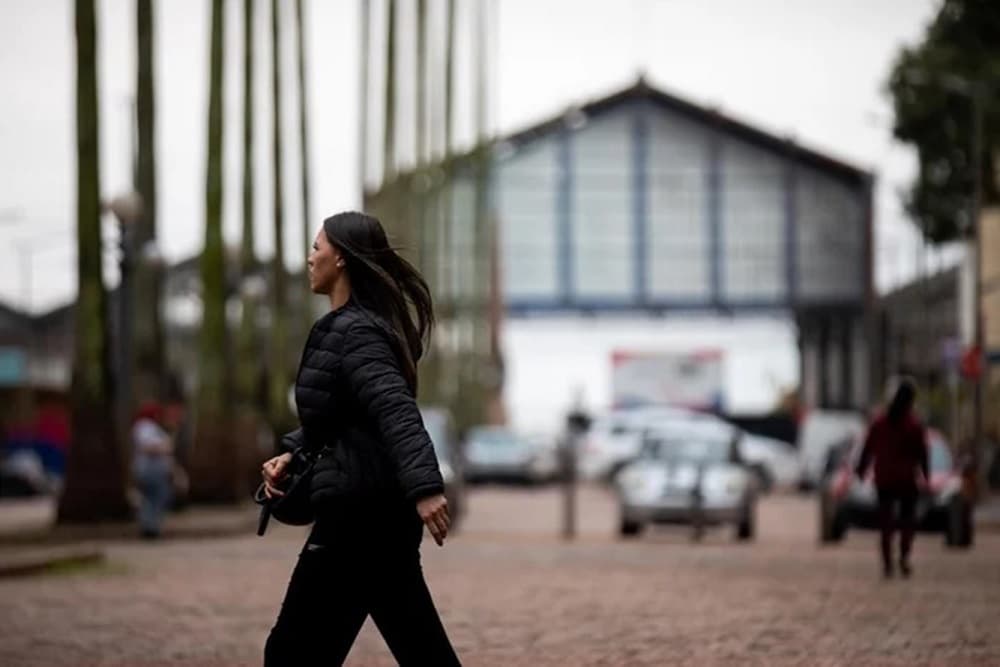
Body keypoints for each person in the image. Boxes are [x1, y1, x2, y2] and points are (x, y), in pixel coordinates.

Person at [260, 211, 461, 666]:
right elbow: (347, 418)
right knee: (420, 650)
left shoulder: (356, 333)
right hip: (377, 517)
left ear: (342, 259)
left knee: (291, 655)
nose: (310, 258)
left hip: (357, 519)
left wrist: (426, 488)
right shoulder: (355, 329)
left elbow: (395, 410)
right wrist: (293, 453)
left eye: (317, 248)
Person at [856, 378, 929, 579]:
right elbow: (922, 452)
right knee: (907, 522)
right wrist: (925, 473)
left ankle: (888, 562)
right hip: (905, 479)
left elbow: (867, 448)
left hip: (885, 479)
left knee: (886, 523)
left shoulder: (880, 422)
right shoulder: (913, 424)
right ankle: (903, 557)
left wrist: (861, 470)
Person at [131, 401, 174, 538]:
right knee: (153, 498)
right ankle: (149, 527)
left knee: (157, 497)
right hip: (150, 469)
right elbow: (147, 446)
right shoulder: (144, 426)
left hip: (156, 470)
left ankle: (152, 526)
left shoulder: (151, 427)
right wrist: (164, 447)